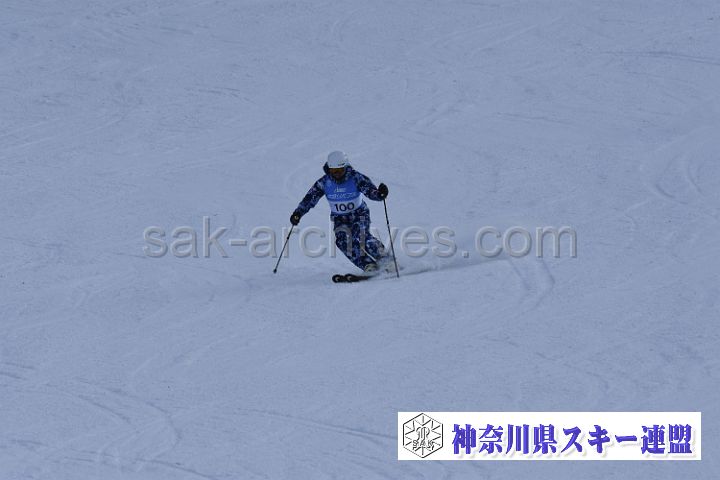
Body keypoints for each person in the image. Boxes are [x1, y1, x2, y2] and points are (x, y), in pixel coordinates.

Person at [290, 151, 393, 274]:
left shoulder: (355, 178)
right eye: (334, 171)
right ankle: (368, 265)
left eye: (340, 170)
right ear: (329, 169)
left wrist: (379, 194)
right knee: (342, 241)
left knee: (361, 235)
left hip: (359, 214)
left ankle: (386, 260)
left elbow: (370, 191)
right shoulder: (324, 182)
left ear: (345, 166)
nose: (337, 174)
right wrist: (298, 213)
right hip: (339, 218)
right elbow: (310, 199)